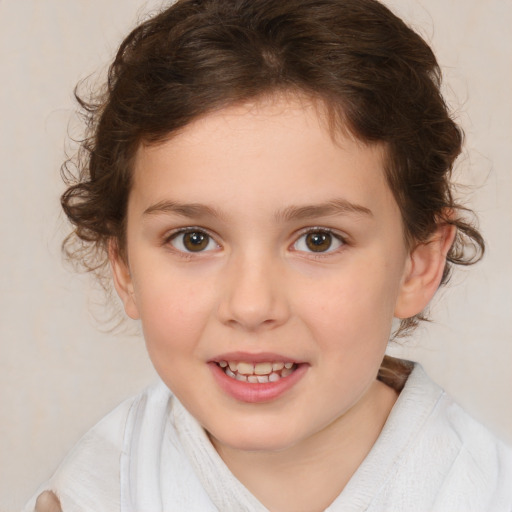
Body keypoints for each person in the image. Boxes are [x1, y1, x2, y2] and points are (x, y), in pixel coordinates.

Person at [25, 0, 512, 510]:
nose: (252, 305)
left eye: (318, 239)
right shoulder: (95, 490)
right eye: (194, 239)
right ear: (124, 268)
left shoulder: (485, 490)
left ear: (418, 263)